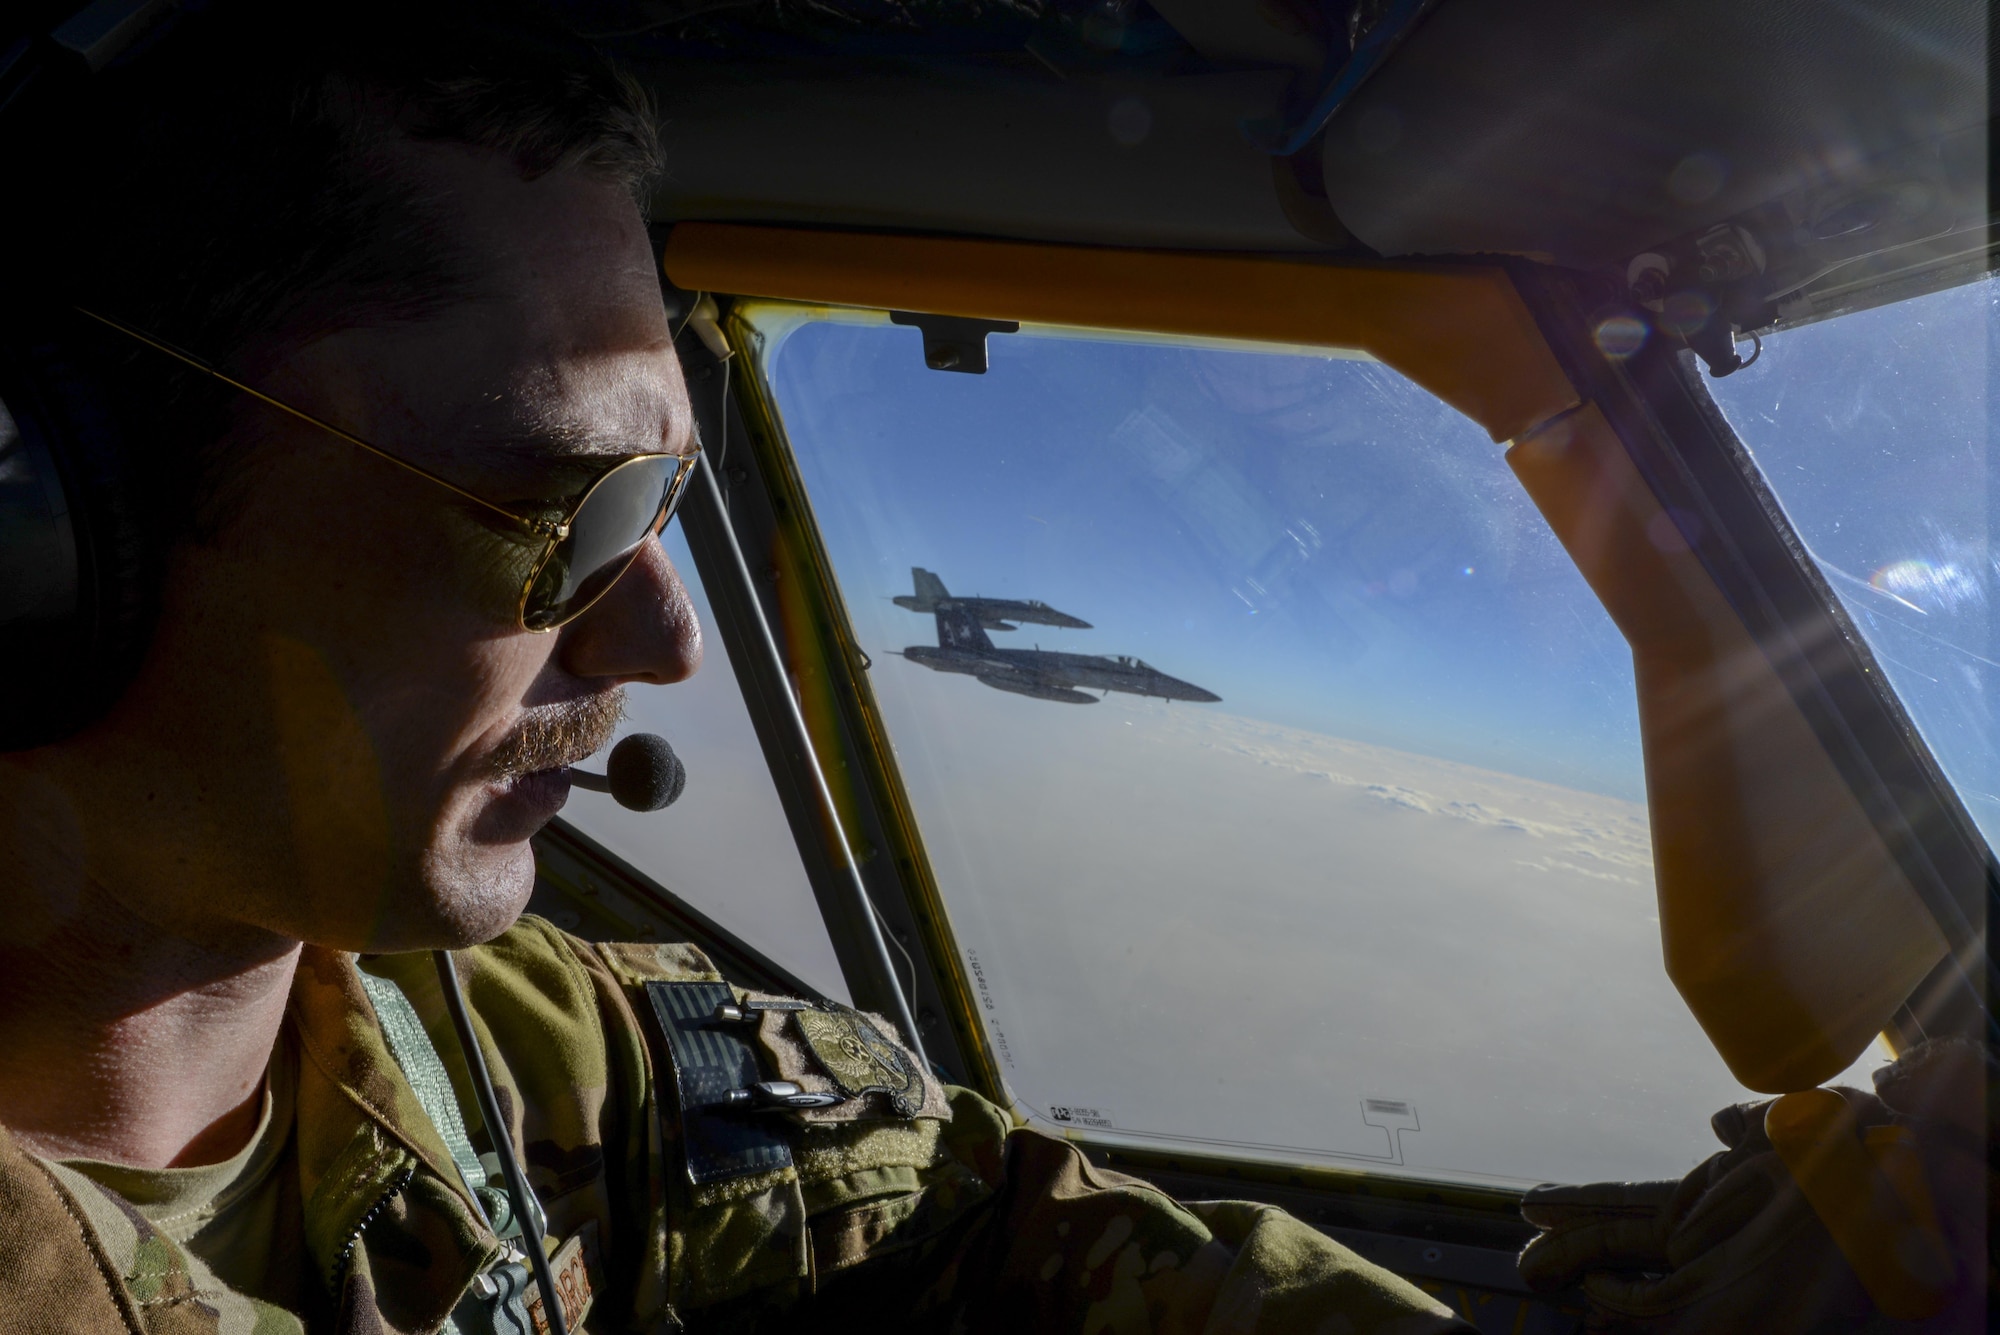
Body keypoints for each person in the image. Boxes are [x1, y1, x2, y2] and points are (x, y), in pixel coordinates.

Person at [0, 4, 1470, 1330]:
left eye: (666, 502)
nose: (665, 639)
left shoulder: (535, 1053)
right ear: (44, 529)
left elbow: (1013, 1223)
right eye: (559, 513)